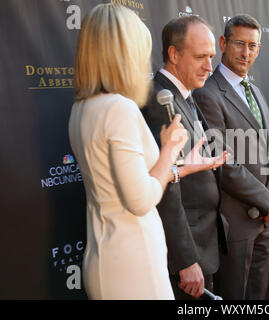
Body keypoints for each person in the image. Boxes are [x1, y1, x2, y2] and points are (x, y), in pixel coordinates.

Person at [68, 4, 190, 299]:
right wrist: (169, 151)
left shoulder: (81, 108)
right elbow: (140, 200)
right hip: (135, 263)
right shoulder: (118, 108)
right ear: (123, 53)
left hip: (103, 256)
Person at [194, 14, 269, 300]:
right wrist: (267, 200)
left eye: (253, 45)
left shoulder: (256, 91)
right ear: (223, 43)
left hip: (266, 219)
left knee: (260, 295)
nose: (246, 52)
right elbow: (223, 161)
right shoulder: (207, 94)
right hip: (235, 222)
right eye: (239, 43)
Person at [142, 15, 229, 299]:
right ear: (174, 54)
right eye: (200, 56)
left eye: (212, 56)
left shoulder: (183, 95)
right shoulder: (159, 103)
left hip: (203, 242)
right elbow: (166, 185)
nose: (209, 66)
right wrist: (185, 260)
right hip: (185, 254)